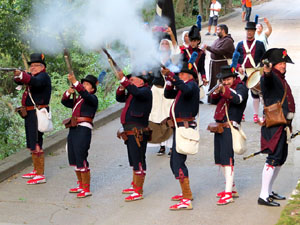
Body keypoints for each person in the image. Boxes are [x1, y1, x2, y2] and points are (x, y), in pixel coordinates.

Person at [258, 48, 295, 207]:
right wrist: (267, 71)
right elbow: (267, 78)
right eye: (280, 63)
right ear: (272, 65)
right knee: (272, 159)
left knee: (280, 159)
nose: (283, 66)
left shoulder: (281, 78)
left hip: (283, 125)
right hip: (275, 125)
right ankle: (263, 196)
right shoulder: (271, 76)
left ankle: (269, 190)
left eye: (284, 63)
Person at [162, 61, 200, 210]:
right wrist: (169, 80)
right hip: (179, 127)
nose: (180, 76)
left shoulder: (191, 85)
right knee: (174, 162)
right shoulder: (183, 86)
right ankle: (186, 193)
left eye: (181, 74)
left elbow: (186, 90)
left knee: (178, 163)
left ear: (189, 75)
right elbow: (167, 94)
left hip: (184, 127)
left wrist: (171, 76)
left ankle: (186, 198)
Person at [208, 65, 248, 205]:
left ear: (234, 77)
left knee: (227, 160)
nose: (225, 82)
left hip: (230, 127)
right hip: (220, 127)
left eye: (228, 79)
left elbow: (238, 99)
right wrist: (216, 91)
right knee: (220, 159)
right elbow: (212, 100)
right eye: (223, 80)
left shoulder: (241, 87)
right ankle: (232, 188)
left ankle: (228, 194)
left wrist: (224, 90)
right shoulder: (224, 87)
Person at [14, 53, 51, 185]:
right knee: (32, 142)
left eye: (36, 65)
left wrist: (23, 75)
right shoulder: (33, 77)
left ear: (42, 67)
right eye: (32, 65)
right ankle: (36, 170)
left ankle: (40, 174)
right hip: (30, 114)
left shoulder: (43, 77)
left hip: (37, 113)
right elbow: (19, 81)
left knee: (36, 143)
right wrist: (18, 75)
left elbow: (35, 82)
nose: (33, 67)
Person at [116, 71, 152, 202]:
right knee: (133, 159)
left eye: (133, 80)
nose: (130, 83)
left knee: (138, 160)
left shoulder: (145, 91)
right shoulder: (134, 91)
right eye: (129, 80)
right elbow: (119, 98)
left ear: (141, 82)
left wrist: (124, 81)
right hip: (130, 130)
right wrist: (122, 85)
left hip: (138, 130)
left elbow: (136, 92)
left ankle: (138, 191)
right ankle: (135, 185)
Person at [61, 74, 98, 198]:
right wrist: (69, 91)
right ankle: (80, 184)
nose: (84, 86)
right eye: (83, 84)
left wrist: (75, 83)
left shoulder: (92, 98)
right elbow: (64, 101)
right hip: (73, 127)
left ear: (92, 89)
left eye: (87, 84)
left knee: (81, 154)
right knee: (73, 155)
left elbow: (85, 94)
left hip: (83, 128)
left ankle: (86, 188)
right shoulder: (78, 100)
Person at [149, 30, 180, 156]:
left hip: (168, 91)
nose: (164, 46)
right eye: (162, 44)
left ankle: (171, 146)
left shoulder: (174, 58)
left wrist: (171, 34)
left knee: (168, 118)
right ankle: (161, 145)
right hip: (156, 91)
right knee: (157, 118)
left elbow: (177, 49)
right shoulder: (155, 58)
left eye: (166, 44)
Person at [235, 21, 265, 122]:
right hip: (243, 73)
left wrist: (260, 68)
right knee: (242, 93)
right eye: (248, 30)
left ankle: (255, 115)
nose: (249, 32)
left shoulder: (260, 44)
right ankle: (241, 114)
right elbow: (235, 59)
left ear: (254, 32)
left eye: (251, 30)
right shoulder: (240, 44)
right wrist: (238, 67)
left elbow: (264, 59)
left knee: (255, 94)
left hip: (254, 72)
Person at [203, 24, 235, 105]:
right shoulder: (217, 40)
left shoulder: (228, 41)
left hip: (222, 64)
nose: (216, 32)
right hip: (215, 64)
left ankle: (221, 99)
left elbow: (220, 51)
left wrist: (208, 47)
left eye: (218, 30)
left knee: (221, 81)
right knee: (214, 81)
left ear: (223, 30)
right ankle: (213, 99)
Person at [182, 25, 208, 103]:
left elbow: (201, 68)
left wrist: (203, 78)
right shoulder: (184, 52)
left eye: (195, 41)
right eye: (191, 40)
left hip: (196, 79)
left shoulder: (201, 53)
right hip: (186, 78)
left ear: (198, 41)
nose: (193, 43)